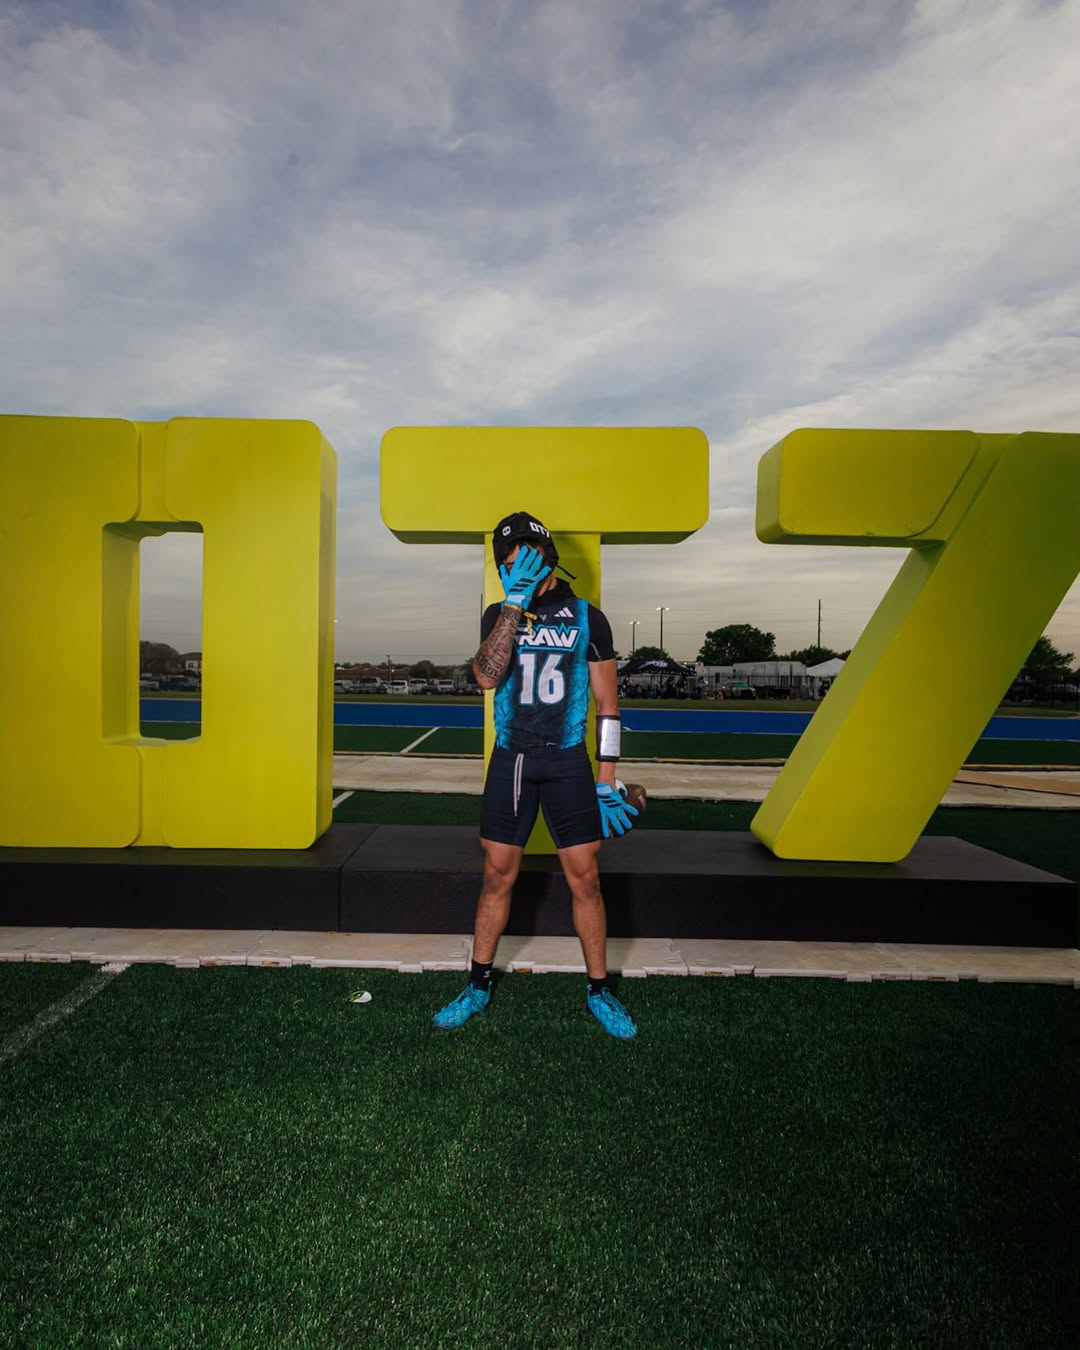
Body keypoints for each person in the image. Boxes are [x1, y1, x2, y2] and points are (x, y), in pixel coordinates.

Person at [432, 510, 639, 1040]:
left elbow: (608, 707)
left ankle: (599, 989)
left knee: (585, 877)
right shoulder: (498, 614)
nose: (515, 566)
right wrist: (514, 604)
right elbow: (485, 678)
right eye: (506, 562)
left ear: (546, 554)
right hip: (514, 759)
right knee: (496, 874)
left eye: (523, 555)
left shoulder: (588, 617)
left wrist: (607, 779)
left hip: (568, 760)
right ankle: (477, 984)